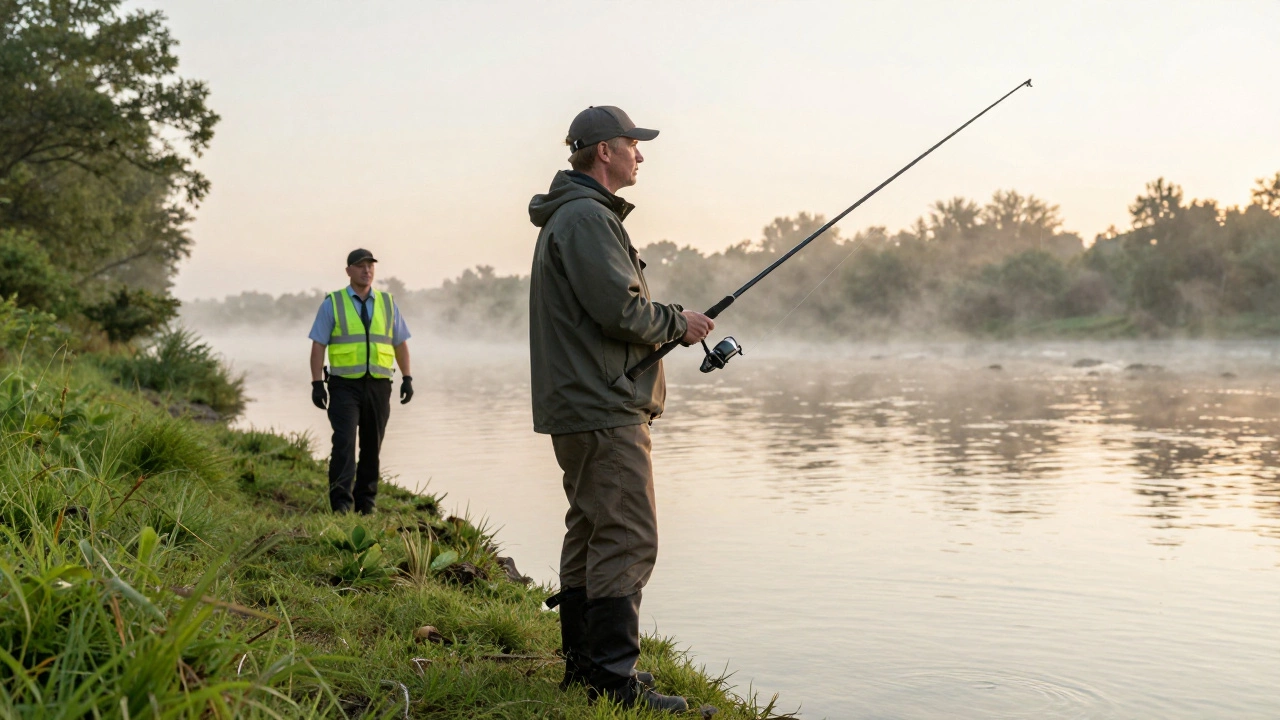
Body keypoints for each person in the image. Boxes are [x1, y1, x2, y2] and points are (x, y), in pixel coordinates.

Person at [528, 106, 714, 712]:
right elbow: (621, 311)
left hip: (585, 401)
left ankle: (587, 674)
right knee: (629, 536)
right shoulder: (586, 218)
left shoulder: (576, 215)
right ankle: (613, 684)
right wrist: (677, 323)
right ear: (604, 151)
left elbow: (608, 308)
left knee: (591, 531)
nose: (641, 154)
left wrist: (666, 320)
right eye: (633, 144)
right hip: (604, 406)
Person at [308, 248, 414, 514]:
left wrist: (407, 377)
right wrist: (317, 383)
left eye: (370, 266)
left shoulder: (388, 303)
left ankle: (366, 504)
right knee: (343, 443)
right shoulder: (333, 302)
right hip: (344, 386)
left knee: (371, 445)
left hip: (379, 385)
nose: (366, 270)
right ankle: (341, 504)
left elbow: (400, 343)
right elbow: (318, 344)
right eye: (360, 266)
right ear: (348, 271)